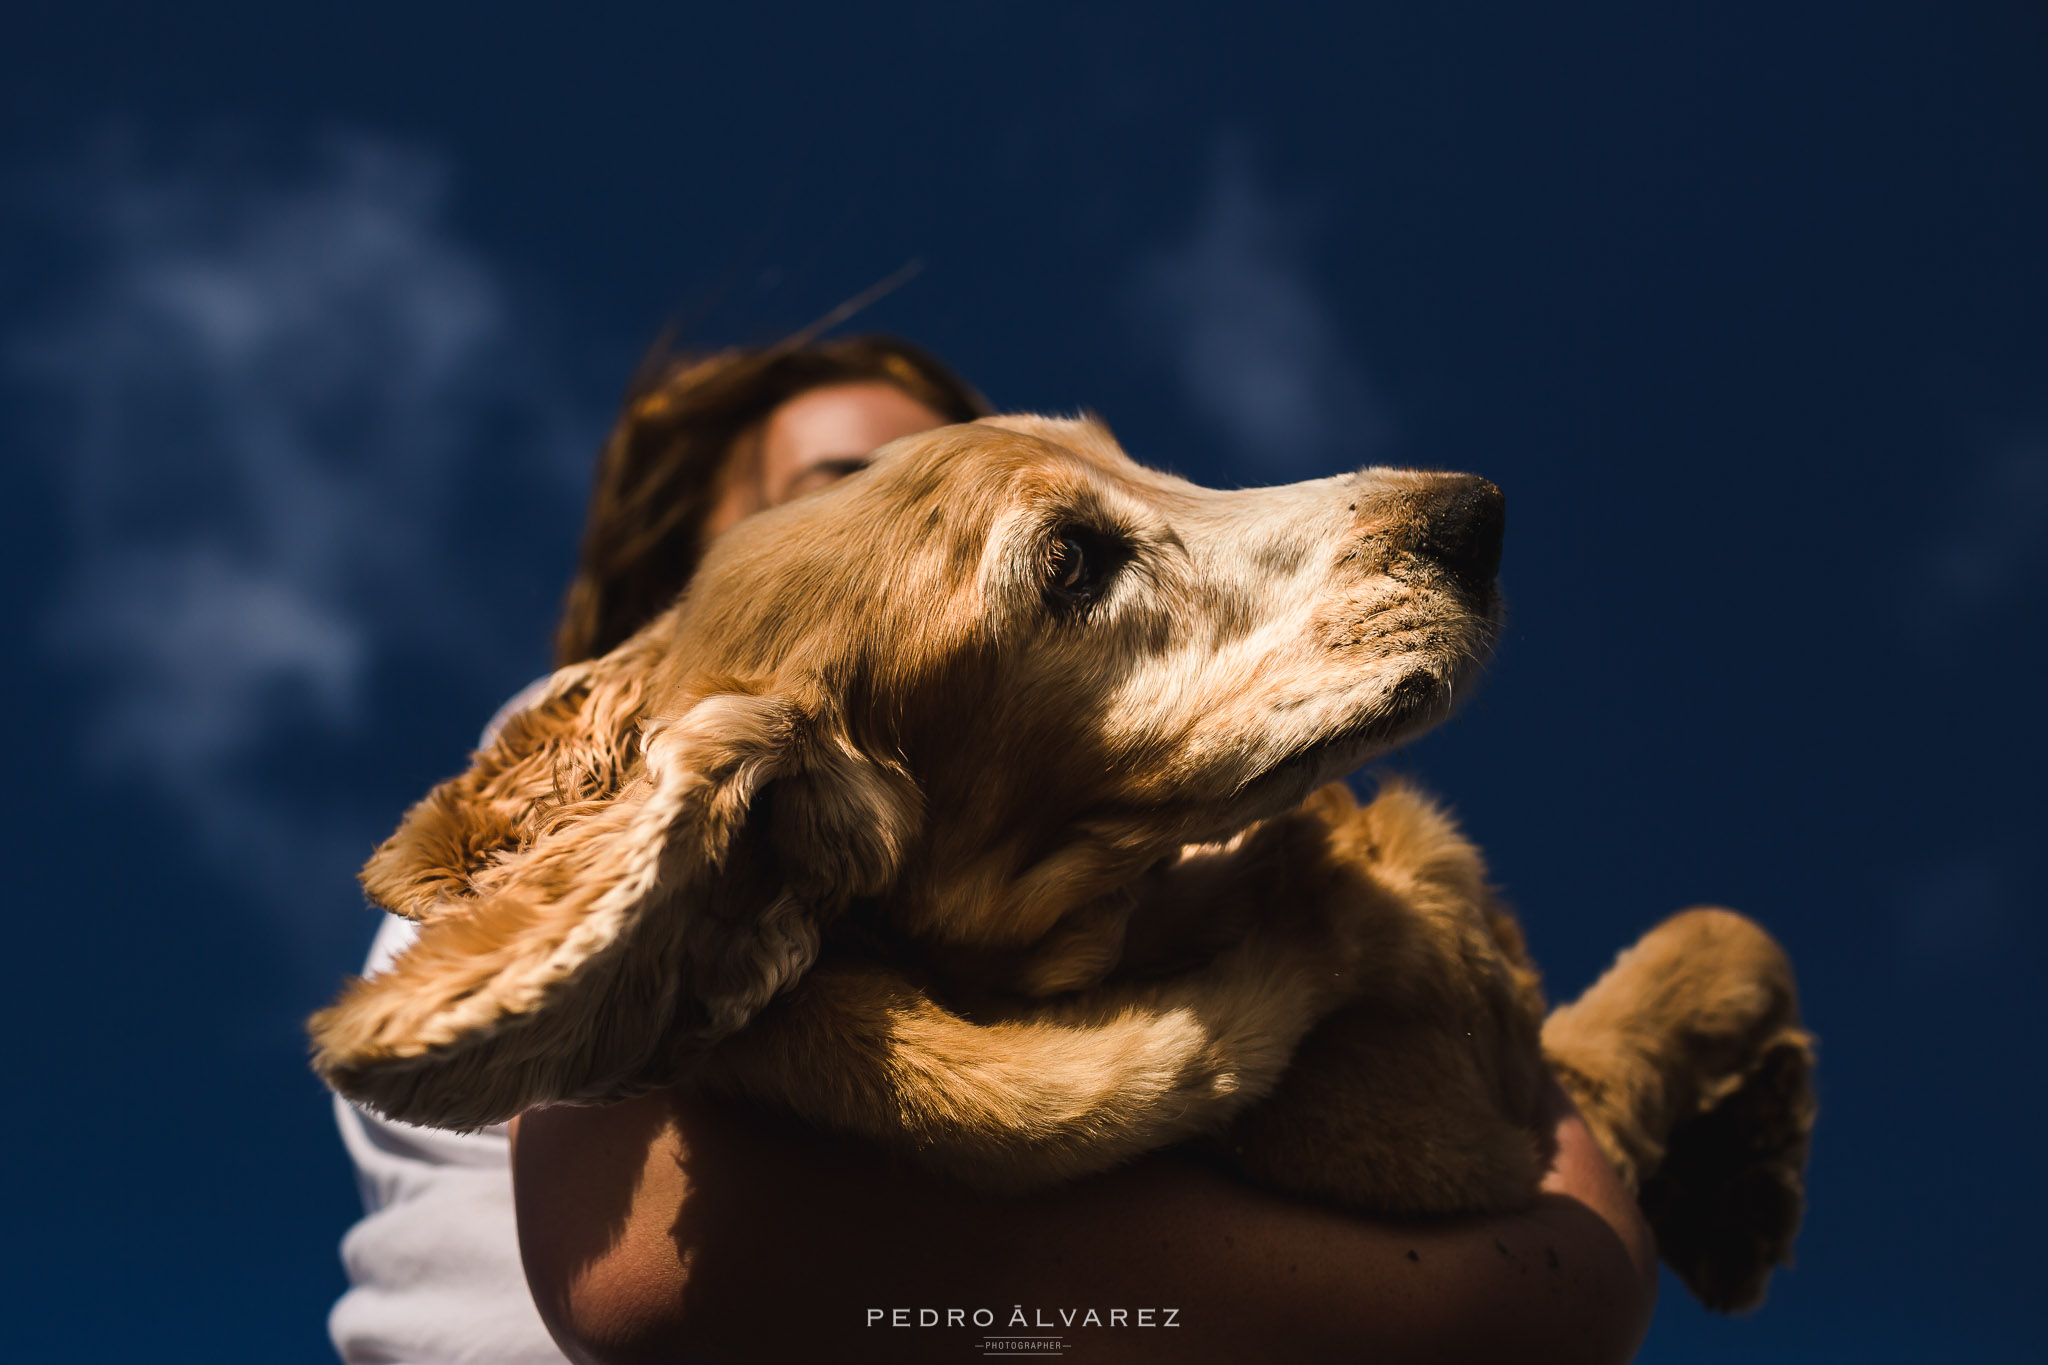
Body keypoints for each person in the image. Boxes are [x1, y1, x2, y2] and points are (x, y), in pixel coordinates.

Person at [333, 335, 1659, 1365]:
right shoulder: (604, 761)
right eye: (850, 491)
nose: (909, 498)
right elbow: (652, 1269)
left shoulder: (1202, 880)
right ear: (702, 580)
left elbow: (1574, 1242)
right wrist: (1477, 1306)